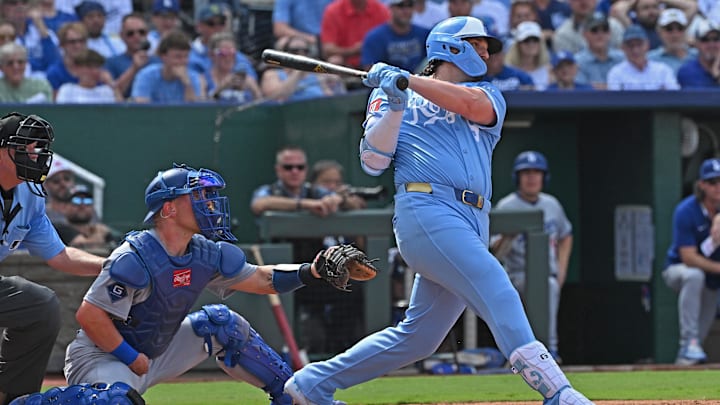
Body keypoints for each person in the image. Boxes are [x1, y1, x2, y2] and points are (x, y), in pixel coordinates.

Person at [284, 16, 592, 405]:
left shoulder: (487, 93)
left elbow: (467, 104)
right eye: (477, 44)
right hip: (427, 209)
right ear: (449, 46)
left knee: (419, 338)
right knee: (498, 289)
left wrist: (407, 82)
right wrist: (395, 103)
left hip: (473, 218)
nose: (485, 52)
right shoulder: (391, 92)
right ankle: (558, 393)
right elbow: (373, 161)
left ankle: (310, 385)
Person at [41, 163, 349, 405]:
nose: (210, 204)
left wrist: (313, 271)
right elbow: (89, 316)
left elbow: (260, 279)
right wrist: (131, 358)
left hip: (155, 352)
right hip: (105, 356)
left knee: (222, 323)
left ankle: (295, 397)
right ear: (169, 209)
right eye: (199, 197)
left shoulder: (203, 252)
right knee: (115, 401)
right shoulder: (135, 256)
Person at [0, 112, 104, 404]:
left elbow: (60, 255)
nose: (34, 155)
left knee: (39, 303)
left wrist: (109, 265)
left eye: (37, 148)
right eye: (25, 147)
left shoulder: (31, 195)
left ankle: (15, 398)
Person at [491, 151, 573, 363]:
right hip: (516, 275)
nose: (531, 177)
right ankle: (518, 354)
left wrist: (562, 269)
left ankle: (550, 350)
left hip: (546, 275)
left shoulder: (552, 204)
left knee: (549, 284)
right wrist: (509, 233)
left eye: (536, 172)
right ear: (517, 177)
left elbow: (566, 235)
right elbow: (493, 252)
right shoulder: (506, 206)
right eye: (525, 172)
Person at [662, 157, 720, 366]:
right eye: (713, 182)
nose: (718, 187)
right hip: (679, 270)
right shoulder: (686, 210)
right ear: (702, 185)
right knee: (694, 275)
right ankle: (688, 341)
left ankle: (685, 357)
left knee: (693, 353)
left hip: (712, 282)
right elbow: (688, 257)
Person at [261, 36, 344, 103]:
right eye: (295, 51)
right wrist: (297, 73)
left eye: (305, 51)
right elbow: (277, 97)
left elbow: (330, 100)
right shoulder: (272, 74)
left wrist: (334, 81)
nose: (301, 54)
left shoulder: (317, 76)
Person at [130, 30, 204, 103]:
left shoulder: (193, 77)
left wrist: (187, 84)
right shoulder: (146, 75)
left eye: (186, 56)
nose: (183, 61)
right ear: (163, 57)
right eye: (178, 57)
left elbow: (194, 111)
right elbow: (141, 107)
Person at [361, 0, 431, 73]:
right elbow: (369, 70)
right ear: (390, 8)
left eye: (410, 5)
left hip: (419, 81)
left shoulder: (424, 33)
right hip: (388, 82)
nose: (406, 11)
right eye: (400, 6)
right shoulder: (375, 37)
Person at [606, 24, 680, 90]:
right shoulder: (616, 73)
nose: (635, 50)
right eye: (630, 46)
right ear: (623, 48)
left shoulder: (662, 70)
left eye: (639, 44)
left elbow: (674, 96)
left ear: (647, 45)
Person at [105, 13, 160, 100]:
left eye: (141, 32)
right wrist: (134, 68)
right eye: (130, 33)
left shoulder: (158, 62)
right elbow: (112, 95)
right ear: (122, 36)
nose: (137, 36)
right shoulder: (111, 63)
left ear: (147, 34)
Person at [52, 184, 117, 249]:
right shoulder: (58, 229)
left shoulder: (103, 232)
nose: (82, 205)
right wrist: (99, 234)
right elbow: (82, 244)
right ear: (64, 207)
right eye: (76, 200)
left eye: (87, 201)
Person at [206, 32, 262, 104]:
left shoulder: (246, 78)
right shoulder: (204, 79)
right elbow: (200, 108)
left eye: (232, 52)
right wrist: (220, 89)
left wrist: (254, 90)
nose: (228, 57)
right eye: (223, 53)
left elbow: (261, 107)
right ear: (211, 55)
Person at [55, 48, 121, 103]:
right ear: (77, 69)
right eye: (90, 67)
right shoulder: (67, 90)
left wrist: (111, 84)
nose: (95, 71)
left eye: (97, 67)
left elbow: (120, 113)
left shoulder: (106, 91)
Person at [504, 21, 551, 90]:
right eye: (526, 40)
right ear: (518, 44)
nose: (531, 44)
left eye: (535, 40)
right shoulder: (507, 69)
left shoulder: (549, 70)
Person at [677, 19, 720, 88]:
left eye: (716, 39)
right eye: (705, 40)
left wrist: (717, 74)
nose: (711, 44)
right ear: (697, 44)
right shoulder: (687, 72)